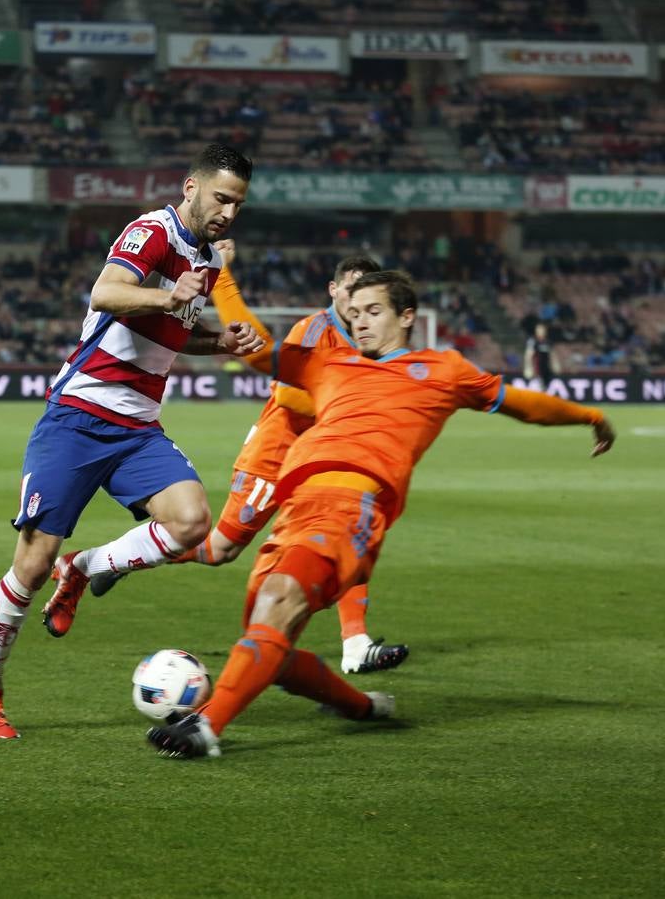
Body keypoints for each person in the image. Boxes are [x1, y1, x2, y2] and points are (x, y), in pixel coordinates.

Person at [147, 270, 615, 759]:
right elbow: (257, 349)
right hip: (297, 507)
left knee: (278, 604)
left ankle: (206, 728)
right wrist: (223, 280)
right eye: (354, 314)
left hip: (351, 507)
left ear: (407, 315)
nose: (360, 323)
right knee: (271, 648)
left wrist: (591, 416)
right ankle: (364, 708)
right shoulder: (330, 363)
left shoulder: (443, 369)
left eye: (373, 312)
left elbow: (521, 404)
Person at [0, 143, 265, 740]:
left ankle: (86, 568)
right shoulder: (152, 231)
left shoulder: (207, 258)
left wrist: (218, 345)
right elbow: (105, 293)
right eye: (221, 198)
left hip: (138, 428)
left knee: (191, 521)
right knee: (31, 561)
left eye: (238, 204)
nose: (228, 212)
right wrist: (167, 293)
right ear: (191, 187)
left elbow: (171, 333)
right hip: (78, 415)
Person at [71, 253, 409, 675]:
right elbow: (287, 395)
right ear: (334, 290)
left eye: (366, 294)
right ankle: (115, 559)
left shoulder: (367, 340)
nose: (357, 301)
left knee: (349, 538)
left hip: (324, 462)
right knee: (220, 549)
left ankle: (355, 644)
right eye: (350, 290)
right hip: (276, 457)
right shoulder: (315, 330)